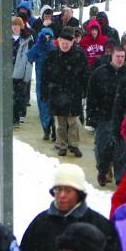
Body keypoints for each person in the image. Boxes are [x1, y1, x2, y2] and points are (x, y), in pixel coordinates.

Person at [20, 163, 121, 251]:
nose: (62, 195)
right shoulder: (39, 224)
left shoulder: (99, 225)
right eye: (58, 190)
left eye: (68, 190)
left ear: (79, 194)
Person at [40, 26, 90, 157]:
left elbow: (85, 74)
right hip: (57, 92)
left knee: (73, 121)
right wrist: (45, 91)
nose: (65, 45)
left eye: (68, 43)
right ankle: (62, 144)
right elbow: (45, 75)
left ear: (73, 42)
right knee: (60, 121)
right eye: (63, 43)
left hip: (74, 92)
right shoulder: (53, 55)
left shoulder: (80, 54)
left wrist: (85, 89)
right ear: (59, 41)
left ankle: (74, 145)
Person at [86, 48, 126, 186]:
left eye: (122, 56)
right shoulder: (100, 73)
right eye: (118, 56)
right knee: (102, 146)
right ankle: (103, 170)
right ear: (112, 56)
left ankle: (120, 176)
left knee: (121, 149)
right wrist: (91, 115)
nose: (120, 59)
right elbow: (91, 95)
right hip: (103, 115)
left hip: (122, 118)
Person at [8, 17, 34, 126]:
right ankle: (12, 116)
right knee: (11, 94)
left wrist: (27, 71)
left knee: (20, 94)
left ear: (21, 26)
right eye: (13, 25)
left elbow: (30, 57)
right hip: (9, 69)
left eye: (17, 25)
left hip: (21, 69)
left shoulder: (27, 38)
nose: (15, 27)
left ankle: (19, 115)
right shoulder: (7, 38)